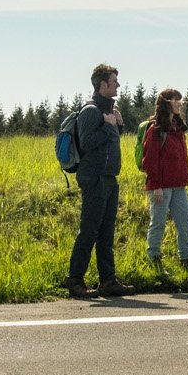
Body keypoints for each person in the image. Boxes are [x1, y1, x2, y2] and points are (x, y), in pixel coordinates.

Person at [64, 64, 129, 299]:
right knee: (89, 230)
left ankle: (108, 281)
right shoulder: (90, 111)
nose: (118, 85)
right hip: (94, 178)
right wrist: (109, 126)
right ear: (102, 85)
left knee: (106, 232)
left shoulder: (109, 110)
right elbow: (87, 142)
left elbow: (109, 143)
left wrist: (117, 126)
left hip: (109, 177)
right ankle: (75, 280)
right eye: (114, 82)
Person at [140, 87, 188, 288]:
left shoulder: (178, 126)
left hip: (178, 186)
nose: (179, 103)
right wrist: (156, 186)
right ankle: (154, 259)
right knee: (158, 223)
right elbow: (150, 160)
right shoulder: (156, 129)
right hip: (160, 187)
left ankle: (187, 261)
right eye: (175, 100)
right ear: (166, 102)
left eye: (180, 100)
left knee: (185, 223)